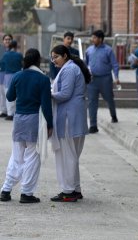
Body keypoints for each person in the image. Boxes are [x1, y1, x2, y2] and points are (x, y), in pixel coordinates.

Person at [0, 48, 53, 203]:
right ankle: (26, 193)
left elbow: (10, 97)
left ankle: (6, 190)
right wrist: (50, 124)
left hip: (19, 119)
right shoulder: (42, 79)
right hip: (34, 120)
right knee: (32, 157)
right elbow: (46, 105)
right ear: (38, 61)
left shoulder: (18, 75)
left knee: (16, 157)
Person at [50, 45, 91, 202]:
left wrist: (48, 94)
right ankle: (76, 189)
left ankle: (68, 191)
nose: (54, 60)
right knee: (72, 155)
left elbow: (65, 94)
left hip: (69, 117)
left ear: (65, 56)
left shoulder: (68, 70)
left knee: (67, 155)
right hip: (74, 116)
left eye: (56, 57)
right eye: (52, 57)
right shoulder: (72, 68)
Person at [85, 29, 120, 133]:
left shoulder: (108, 50)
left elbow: (114, 64)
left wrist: (116, 77)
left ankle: (113, 115)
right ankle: (93, 125)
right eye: (92, 37)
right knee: (92, 102)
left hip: (105, 79)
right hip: (92, 80)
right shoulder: (89, 50)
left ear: (100, 39)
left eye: (95, 37)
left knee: (109, 98)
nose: (93, 39)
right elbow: (86, 63)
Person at [1, 40, 23, 120]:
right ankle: (16, 112)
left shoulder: (5, 55)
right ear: (16, 46)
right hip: (17, 75)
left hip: (8, 76)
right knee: (17, 95)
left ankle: (10, 113)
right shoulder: (19, 55)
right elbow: (22, 64)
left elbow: (2, 65)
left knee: (8, 94)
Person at [0, 34, 13, 118]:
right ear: (3, 41)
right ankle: (3, 110)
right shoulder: (1, 49)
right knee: (1, 93)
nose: (7, 41)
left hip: (9, 74)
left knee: (8, 92)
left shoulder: (13, 50)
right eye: (5, 39)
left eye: (9, 39)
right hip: (1, 72)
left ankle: (10, 112)